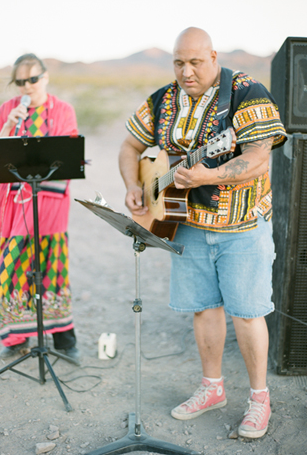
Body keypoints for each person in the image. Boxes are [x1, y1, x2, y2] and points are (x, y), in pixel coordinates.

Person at [119, 27, 286, 439]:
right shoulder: (162, 100)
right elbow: (129, 146)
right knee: (203, 308)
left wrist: (209, 174)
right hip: (186, 224)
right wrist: (133, 186)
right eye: (178, 62)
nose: (186, 71)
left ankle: (259, 400)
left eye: (195, 62)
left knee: (247, 314)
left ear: (213, 56)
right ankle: (212, 388)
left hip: (243, 226)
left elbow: (259, 158)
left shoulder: (247, 93)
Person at [0, 53, 81, 363]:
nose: (27, 87)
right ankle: (17, 337)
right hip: (10, 201)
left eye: (33, 79)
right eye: (20, 81)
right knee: (12, 265)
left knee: (50, 266)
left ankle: (64, 338)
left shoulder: (63, 111)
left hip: (49, 200)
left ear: (45, 77)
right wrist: (8, 128)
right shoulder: (6, 110)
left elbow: (67, 157)